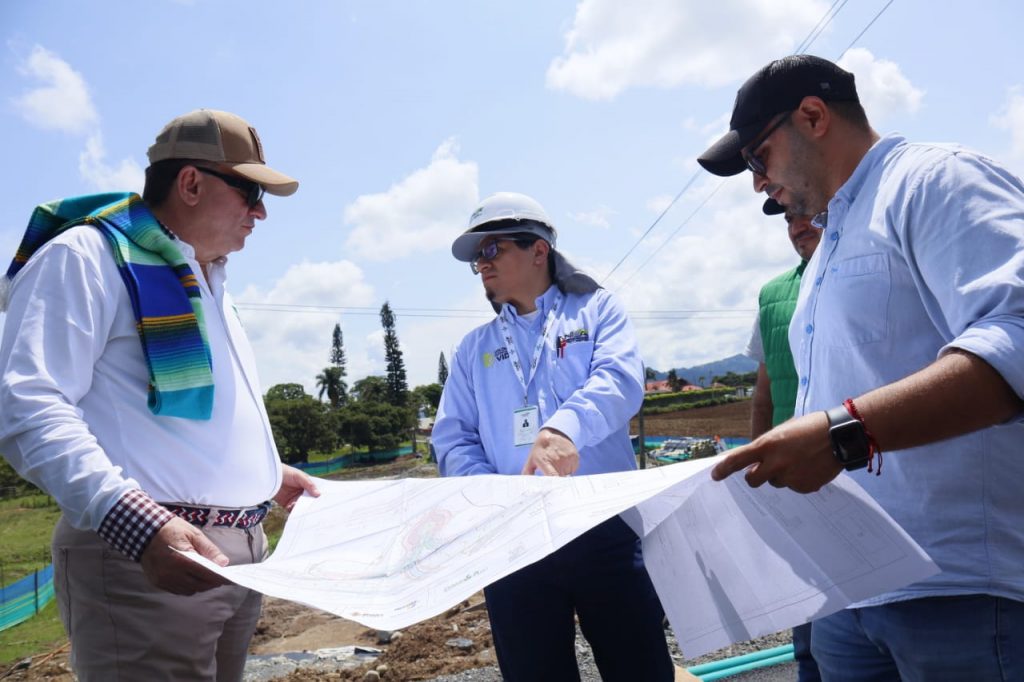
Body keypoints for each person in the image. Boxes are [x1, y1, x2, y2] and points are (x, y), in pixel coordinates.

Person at [698, 54, 1024, 681]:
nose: (758, 184)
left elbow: (1015, 335)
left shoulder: (936, 182)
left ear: (813, 117)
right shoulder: (830, 243)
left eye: (759, 159)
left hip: (957, 591)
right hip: (848, 594)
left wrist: (842, 435)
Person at [0, 109, 319, 681]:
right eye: (249, 192)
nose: (261, 212)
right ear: (190, 183)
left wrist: (265, 474)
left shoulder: (205, 280)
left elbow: (176, 428)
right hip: (144, 558)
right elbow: (27, 403)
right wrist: (136, 524)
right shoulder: (86, 256)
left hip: (236, 559)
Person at [432, 192, 674, 681]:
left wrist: (564, 428)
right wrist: (494, 492)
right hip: (513, 539)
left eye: (492, 249)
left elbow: (619, 381)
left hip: (603, 524)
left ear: (538, 250)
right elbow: (452, 438)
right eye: (476, 257)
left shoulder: (597, 310)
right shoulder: (473, 349)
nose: (481, 264)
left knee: (639, 669)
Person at [745, 197, 822, 682]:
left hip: (860, 469)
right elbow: (764, 394)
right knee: (810, 629)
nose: (797, 226)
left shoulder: (857, 275)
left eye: (806, 213)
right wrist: (756, 475)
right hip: (795, 484)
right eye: (790, 218)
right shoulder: (773, 295)